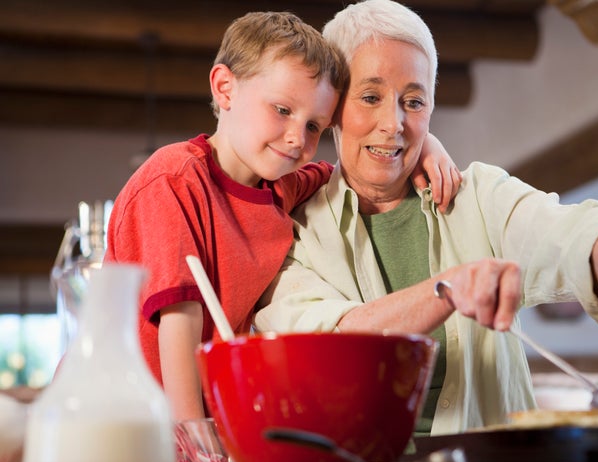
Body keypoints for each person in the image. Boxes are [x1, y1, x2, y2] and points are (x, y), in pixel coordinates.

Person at [255, 0, 598, 436]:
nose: (393, 123)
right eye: (370, 97)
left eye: (413, 102)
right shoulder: (297, 231)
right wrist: (448, 289)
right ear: (334, 107)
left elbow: (568, 236)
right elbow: (327, 344)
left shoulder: (477, 197)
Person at [105, 11, 460, 423]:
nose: (297, 138)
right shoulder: (173, 181)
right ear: (224, 88)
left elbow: (351, 173)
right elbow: (180, 326)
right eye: (282, 109)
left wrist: (425, 143)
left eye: (314, 125)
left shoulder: (281, 187)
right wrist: (195, 447)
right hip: (126, 424)